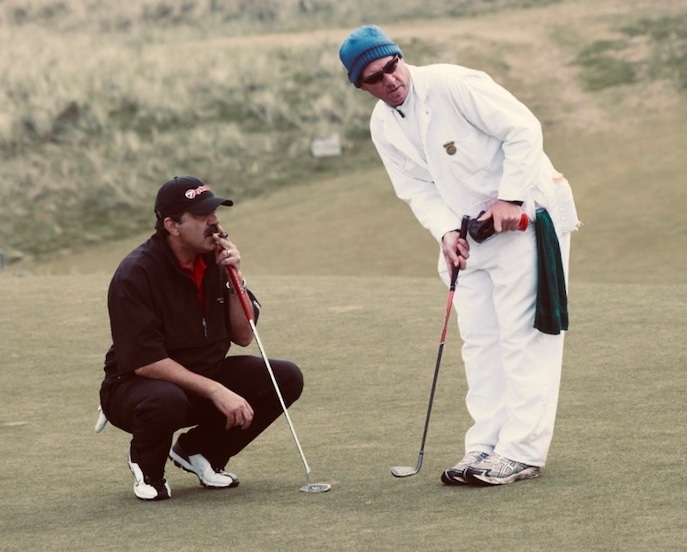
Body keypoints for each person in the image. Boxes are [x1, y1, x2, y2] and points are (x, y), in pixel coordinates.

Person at [339, 25, 580, 486]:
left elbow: (523, 129)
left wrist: (509, 198)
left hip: (526, 216)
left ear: (399, 58)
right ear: (361, 86)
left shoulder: (451, 83)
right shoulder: (383, 125)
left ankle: (521, 451)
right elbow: (415, 188)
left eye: (392, 66)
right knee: (480, 342)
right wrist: (446, 231)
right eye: (374, 78)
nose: (390, 80)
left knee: (522, 336)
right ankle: (484, 446)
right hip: (470, 235)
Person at [98, 176, 304, 501]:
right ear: (172, 225)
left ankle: (201, 452)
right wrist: (217, 390)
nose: (214, 222)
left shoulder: (216, 262)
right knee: (166, 399)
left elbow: (244, 336)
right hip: (135, 388)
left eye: (214, 212)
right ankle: (147, 467)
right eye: (201, 215)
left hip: (200, 379)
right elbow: (147, 363)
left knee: (284, 377)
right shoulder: (136, 274)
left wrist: (235, 275)